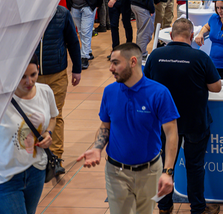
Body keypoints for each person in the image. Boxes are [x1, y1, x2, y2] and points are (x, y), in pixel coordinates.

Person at [77, 43, 179, 214]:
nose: (110, 68)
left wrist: (168, 171)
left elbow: (171, 133)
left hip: (150, 172)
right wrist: (97, 148)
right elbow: (105, 125)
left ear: (133, 62)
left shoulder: (159, 93)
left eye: (115, 63)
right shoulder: (109, 91)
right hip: (116, 172)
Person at [144, 18, 222, 214]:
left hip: (164, 121)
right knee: (195, 167)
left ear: (171, 35)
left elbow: (146, 85)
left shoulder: (155, 55)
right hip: (195, 121)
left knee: (164, 164)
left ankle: (164, 207)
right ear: (191, 36)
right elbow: (216, 87)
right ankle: (198, 208)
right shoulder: (200, 57)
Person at [0, 57, 57, 214]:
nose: (29, 81)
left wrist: (48, 133)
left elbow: (53, 117)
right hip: (4, 178)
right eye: (22, 76)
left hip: (36, 171)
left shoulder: (45, 91)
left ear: (38, 68)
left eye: (33, 74)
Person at [33, 6, 82, 165]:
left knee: (55, 114)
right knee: (33, 115)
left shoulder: (62, 13)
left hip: (57, 73)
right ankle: (34, 154)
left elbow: (73, 41)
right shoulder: (27, 12)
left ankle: (55, 158)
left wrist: (77, 68)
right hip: (31, 76)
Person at [64, 0, 103, 69]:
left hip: (87, 7)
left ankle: (84, 57)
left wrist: (97, 4)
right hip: (75, 7)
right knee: (81, 31)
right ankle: (88, 51)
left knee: (86, 31)